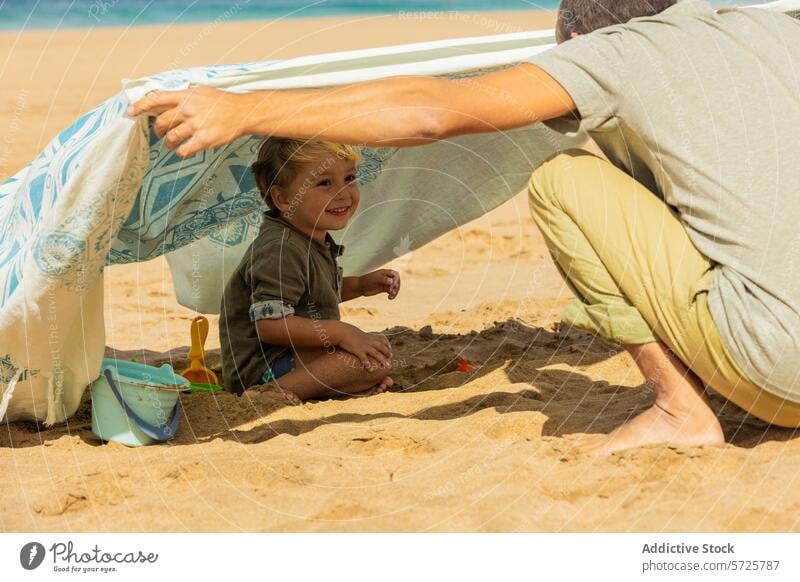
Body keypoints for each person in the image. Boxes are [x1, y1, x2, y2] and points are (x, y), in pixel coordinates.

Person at [129, 0, 800, 455]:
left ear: (587, 43)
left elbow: (430, 111)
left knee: (565, 179)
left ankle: (681, 409)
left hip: (778, 369)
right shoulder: (771, 25)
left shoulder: (621, 51)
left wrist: (243, 112)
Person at [219, 137, 401, 401]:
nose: (343, 193)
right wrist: (343, 332)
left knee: (374, 351)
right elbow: (270, 326)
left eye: (349, 178)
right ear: (282, 198)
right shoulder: (281, 249)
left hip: (291, 354)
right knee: (369, 360)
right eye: (324, 183)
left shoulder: (310, 237)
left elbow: (315, 294)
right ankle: (272, 393)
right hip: (263, 365)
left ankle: (333, 386)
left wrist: (361, 285)